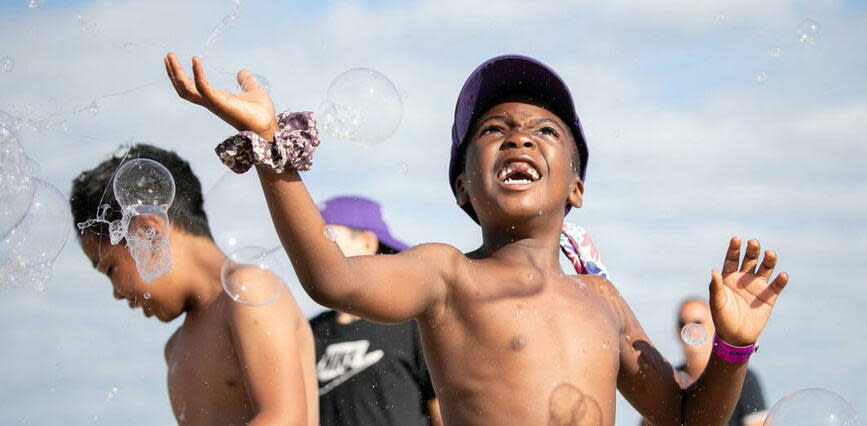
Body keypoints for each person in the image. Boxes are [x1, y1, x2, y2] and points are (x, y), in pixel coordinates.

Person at [164, 52, 791, 425]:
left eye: (545, 130)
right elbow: (335, 276)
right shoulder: (447, 275)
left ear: (576, 187)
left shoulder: (601, 299)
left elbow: (682, 417)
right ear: (462, 187)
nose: (519, 135)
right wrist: (275, 150)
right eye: (493, 128)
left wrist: (733, 349)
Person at [70, 144, 318, 426]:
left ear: (148, 232)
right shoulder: (175, 348)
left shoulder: (249, 291)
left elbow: (285, 419)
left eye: (111, 269)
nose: (116, 293)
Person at [310, 195, 442, 425]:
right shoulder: (310, 332)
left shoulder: (411, 324)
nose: (315, 249)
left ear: (368, 243)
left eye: (329, 236)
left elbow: (441, 407)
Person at [674, 297, 768, 426]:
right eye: (681, 323)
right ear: (676, 331)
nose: (689, 328)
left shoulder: (742, 377)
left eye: (697, 322)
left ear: (714, 327)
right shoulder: (670, 378)